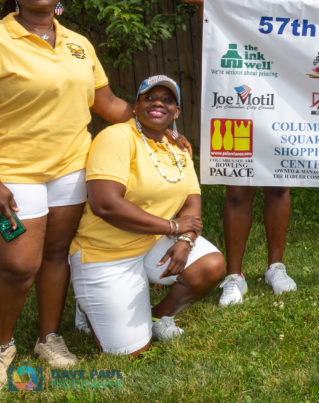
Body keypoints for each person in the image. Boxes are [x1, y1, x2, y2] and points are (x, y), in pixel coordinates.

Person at [0, 0, 142, 381]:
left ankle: (48, 337)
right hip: (13, 170)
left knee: (56, 255)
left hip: (70, 166)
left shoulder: (79, 43)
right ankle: (3, 343)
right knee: (19, 264)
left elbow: (108, 103)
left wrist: (157, 124)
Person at [176, 0, 311, 305]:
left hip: (285, 103)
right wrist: (198, 0)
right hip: (236, 104)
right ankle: (234, 275)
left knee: (279, 184)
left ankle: (275, 266)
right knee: (238, 187)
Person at [69, 75, 224, 355]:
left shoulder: (177, 148)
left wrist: (186, 240)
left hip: (152, 244)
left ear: (176, 112)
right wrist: (173, 226)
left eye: (167, 100)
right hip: (106, 253)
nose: (157, 103)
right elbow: (105, 204)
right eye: (149, 97)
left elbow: (192, 201)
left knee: (210, 265)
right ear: (136, 106)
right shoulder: (116, 137)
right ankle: (87, 306)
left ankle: (156, 314)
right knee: (129, 353)